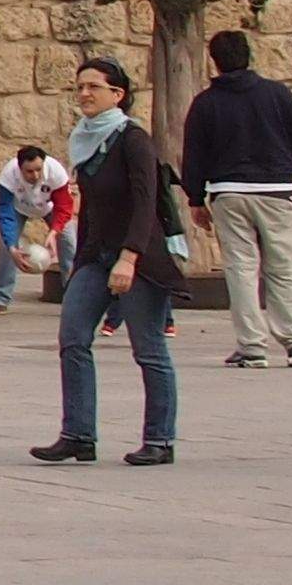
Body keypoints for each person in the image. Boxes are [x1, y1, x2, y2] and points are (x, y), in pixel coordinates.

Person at [37, 56, 184, 467]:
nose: (84, 93)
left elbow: (145, 202)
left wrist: (129, 258)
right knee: (73, 337)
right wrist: (83, 259)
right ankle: (78, 434)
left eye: (94, 86)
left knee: (149, 349)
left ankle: (160, 439)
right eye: (80, 86)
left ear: (116, 94)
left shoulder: (133, 139)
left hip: (136, 255)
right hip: (95, 254)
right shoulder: (83, 139)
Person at [180, 29, 292, 369]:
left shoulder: (205, 103)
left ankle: (252, 346)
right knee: (284, 266)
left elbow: (194, 154)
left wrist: (196, 198)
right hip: (276, 188)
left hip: (229, 191)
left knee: (241, 269)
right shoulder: (277, 95)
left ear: (215, 61)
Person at [0, 144, 67, 315]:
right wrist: (12, 247)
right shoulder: (9, 175)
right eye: (29, 171)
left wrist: (54, 231)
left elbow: (64, 206)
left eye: (39, 169)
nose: (35, 175)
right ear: (19, 167)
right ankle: (0, 299)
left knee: (70, 240)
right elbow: (4, 211)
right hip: (19, 208)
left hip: (49, 208)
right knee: (5, 245)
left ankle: (74, 297)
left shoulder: (56, 172)